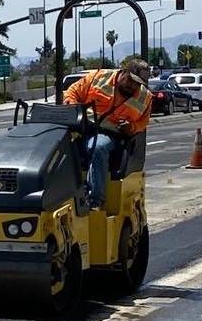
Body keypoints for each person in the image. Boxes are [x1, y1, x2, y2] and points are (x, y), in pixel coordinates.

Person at [63, 58, 152, 208]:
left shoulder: (145, 97)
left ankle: (95, 201)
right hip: (81, 126)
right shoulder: (98, 77)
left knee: (98, 148)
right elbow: (73, 92)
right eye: (131, 81)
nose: (133, 86)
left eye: (138, 84)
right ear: (123, 72)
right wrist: (74, 110)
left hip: (110, 134)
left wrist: (131, 127)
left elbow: (143, 123)